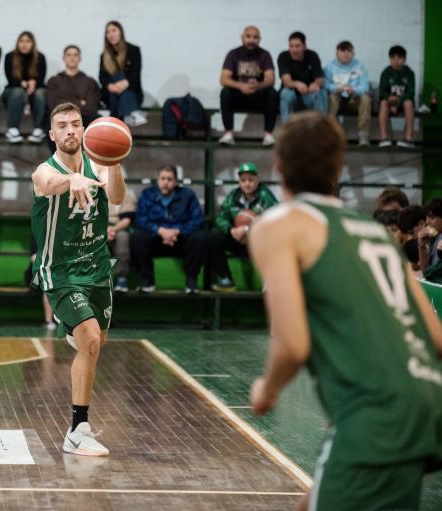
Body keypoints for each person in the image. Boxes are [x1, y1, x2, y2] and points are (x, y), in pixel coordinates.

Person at [248, 111, 442, 511]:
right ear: (338, 167)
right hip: (426, 405)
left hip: (375, 415)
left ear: (278, 165)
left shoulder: (279, 225)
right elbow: (436, 337)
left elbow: (293, 345)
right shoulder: (372, 231)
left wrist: (265, 391)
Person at [31, 102, 126, 456]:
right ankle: (77, 429)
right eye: (62, 126)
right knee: (89, 341)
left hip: (98, 268)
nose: (70, 130)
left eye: (76, 124)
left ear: (84, 129)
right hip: (61, 272)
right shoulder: (45, 170)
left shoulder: (98, 162)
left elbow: (117, 197)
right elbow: (47, 183)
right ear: (52, 134)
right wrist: (70, 179)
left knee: (96, 342)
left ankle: (78, 332)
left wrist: (115, 162)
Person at [131, 164, 204, 293]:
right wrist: (160, 231)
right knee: (137, 237)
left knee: (199, 237)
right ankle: (146, 281)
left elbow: (196, 219)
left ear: (176, 182)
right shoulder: (147, 194)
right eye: (162, 178)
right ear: (158, 180)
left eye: (170, 179)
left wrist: (178, 231)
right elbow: (140, 218)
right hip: (156, 239)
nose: (166, 182)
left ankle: (191, 281)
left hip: (179, 239)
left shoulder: (188, 195)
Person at [206, 162, 278, 291]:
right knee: (214, 236)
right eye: (243, 180)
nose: (247, 183)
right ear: (239, 181)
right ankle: (226, 279)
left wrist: (248, 230)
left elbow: (274, 220)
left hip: (258, 244)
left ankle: (271, 279)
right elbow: (221, 218)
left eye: (251, 180)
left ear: (257, 180)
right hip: (238, 241)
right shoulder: (233, 196)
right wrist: (231, 230)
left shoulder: (266, 196)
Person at [219, 26, 277, 146]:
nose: (251, 40)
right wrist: (241, 86)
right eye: (248, 36)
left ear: (259, 39)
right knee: (225, 92)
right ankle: (228, 134)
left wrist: (258, 85)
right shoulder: (233, 54)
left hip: (257, 96)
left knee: (272, 93)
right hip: (239, 95)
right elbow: (223, 79)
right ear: (242, 37)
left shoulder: (264, 55)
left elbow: (271, 79)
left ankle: (268, 135)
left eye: (255, 37)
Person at [99, 21, 146, 127]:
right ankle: (133, 112)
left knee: (120, 77)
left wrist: (125, 83)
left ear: (121, 32)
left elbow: (136, 73)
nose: (111, 34)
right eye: (108, 32)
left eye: (114, 30)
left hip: (132, 92)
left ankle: (115, 121)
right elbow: (102, 77)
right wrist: (110, 86)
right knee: (117, 78)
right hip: (110, 94)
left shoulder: (134, 50)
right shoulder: (103, 56)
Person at [2, 31, 47, 144]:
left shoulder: (40, 57)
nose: (24, 44)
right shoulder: (9, 56)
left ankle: (38, 130)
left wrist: (34, 82)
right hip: (12, 91)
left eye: (28, 41)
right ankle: (13, 129)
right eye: (21, 41)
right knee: (18, 92)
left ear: (33, 43)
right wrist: (21, 83)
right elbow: (10, 80)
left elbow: (42, 80)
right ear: (18, 43)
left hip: (33, 93)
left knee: (41, 92)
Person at [324, 41, 371, 146]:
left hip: (353, 99)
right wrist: (336, 88)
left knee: (366, 98)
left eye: (349, 51)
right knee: (331, 96)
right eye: (343, 51)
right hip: (337, 100)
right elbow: (324, 85)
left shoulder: (360, 67)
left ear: (353, 54)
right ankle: (330, 135)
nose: (346, 54)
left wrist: (354, 90)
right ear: (337, 53)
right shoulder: (329, 67)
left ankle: (363, 136)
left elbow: (365, 87)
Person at [277, 31, 326, 123]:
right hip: (292, 92)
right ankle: (287, 130)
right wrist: (297, 84)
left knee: (321, 93)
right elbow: (286, 81)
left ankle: (318, 129)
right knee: (285, 93)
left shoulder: (312, 56)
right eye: (291, 46)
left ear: (304, 46)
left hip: (308, 93)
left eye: (297, 46)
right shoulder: (283, 56)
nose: (294, 50)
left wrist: (316, 84)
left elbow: (320, 79)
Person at [47, 45, 101, 128]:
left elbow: (92, 107)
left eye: (75, 55)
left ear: (80, 58)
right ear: (63, 58)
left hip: (84, 120)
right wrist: (80, 103)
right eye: (68, 55)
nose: (72, 58)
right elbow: (53, 105)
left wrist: (65, 102)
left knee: (98, 119)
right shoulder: (54, 81)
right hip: (61, 120)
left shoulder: (90, 82)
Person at [378, 45, 416, 148]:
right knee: (383, 103)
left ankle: (408, 138)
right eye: (393, 58)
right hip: (389, 102)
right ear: (389, 59)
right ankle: (383, 138)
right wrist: (390, 100)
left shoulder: (409, 73)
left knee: (409, 103)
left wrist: (398, 102)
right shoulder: (386, 73)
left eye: (399, 58)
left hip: (403, 102)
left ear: (404, 59)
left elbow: (410, 93)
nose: (396, 61)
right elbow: (382, 91)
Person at [109, 187, 136, 293]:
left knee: (122, 238)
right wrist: (103, 231)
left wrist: (113, 230)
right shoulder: (94, 192)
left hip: (119, 227)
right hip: (98, 227)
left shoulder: (127, 194)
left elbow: (127, 219)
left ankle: (122, 278)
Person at [418, 197, 442, 273]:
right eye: (427, 217)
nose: (427, 222)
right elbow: (426, 272)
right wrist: (421, 246)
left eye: (432, 217)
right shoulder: (436, 237)